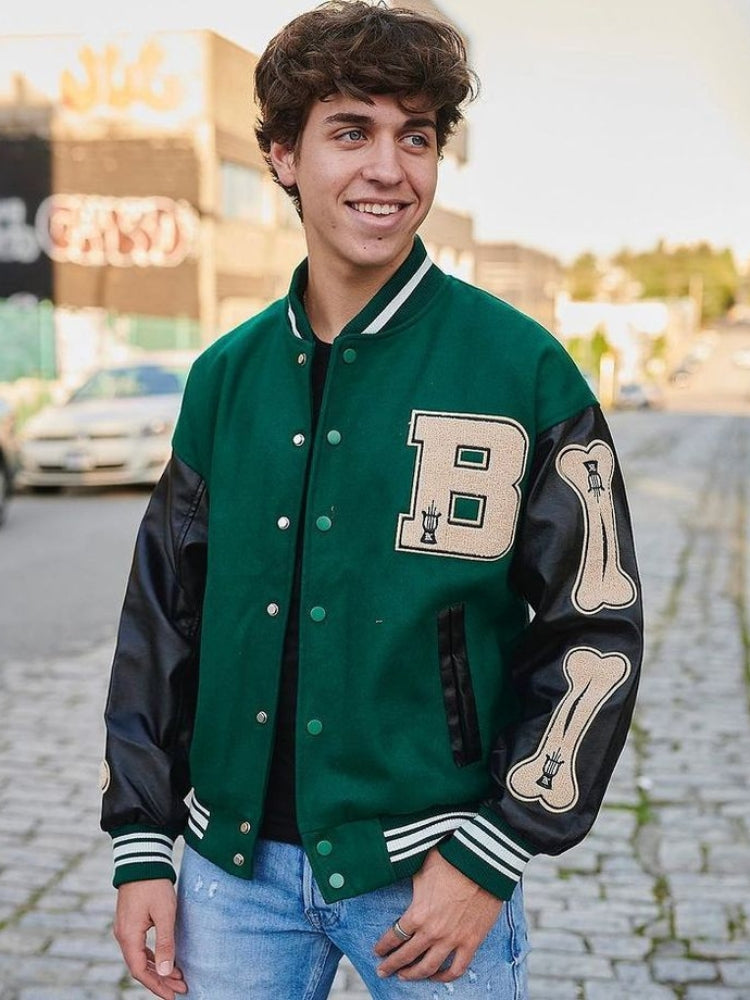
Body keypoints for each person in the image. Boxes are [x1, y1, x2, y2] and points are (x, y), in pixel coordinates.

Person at [100, 2, 643, 998]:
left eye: (417, 136)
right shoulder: (223, 376)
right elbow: (163, 621)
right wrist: (143, 840)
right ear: (282, 156)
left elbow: (594, 633)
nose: (389, 168)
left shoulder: (523, 369)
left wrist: (495, 850)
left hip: (431, 884)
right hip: (232, 880)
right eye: (351, 131)